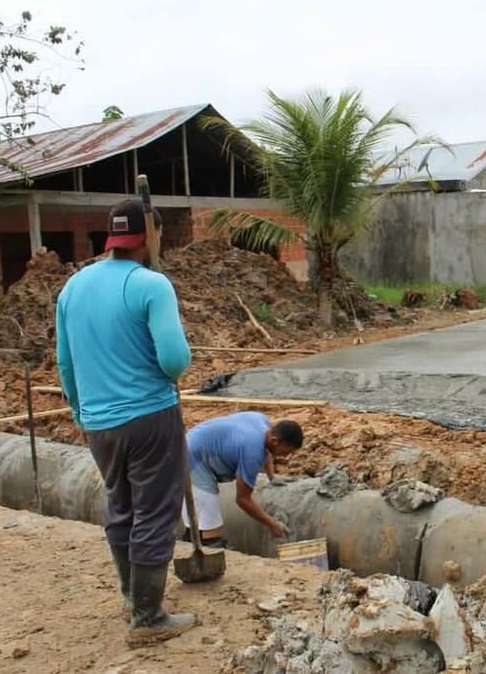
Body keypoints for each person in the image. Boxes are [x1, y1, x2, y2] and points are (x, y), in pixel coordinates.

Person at [56, 198, 195, 646]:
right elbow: (174, 361)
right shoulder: (151, 284)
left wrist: (81, 411)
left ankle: (131, 595)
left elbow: (66, 362)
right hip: (150, 417)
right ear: (150, 236)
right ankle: (149, 616)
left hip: (99, 423)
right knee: (155, 511)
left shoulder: (73, 288)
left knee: (122, 508)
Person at [182, 412, 303, 546]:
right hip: (192, 458)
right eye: (286, 452)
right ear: (275, 440)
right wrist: (271, 524)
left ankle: (192, 543)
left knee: (199, 518)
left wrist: (272, 476)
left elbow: (267, 450)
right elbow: (242, 499)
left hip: (192, 441)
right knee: (210, 526)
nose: (285, 457)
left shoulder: (262, 422)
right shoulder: (252, 452)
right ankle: (209, 548)